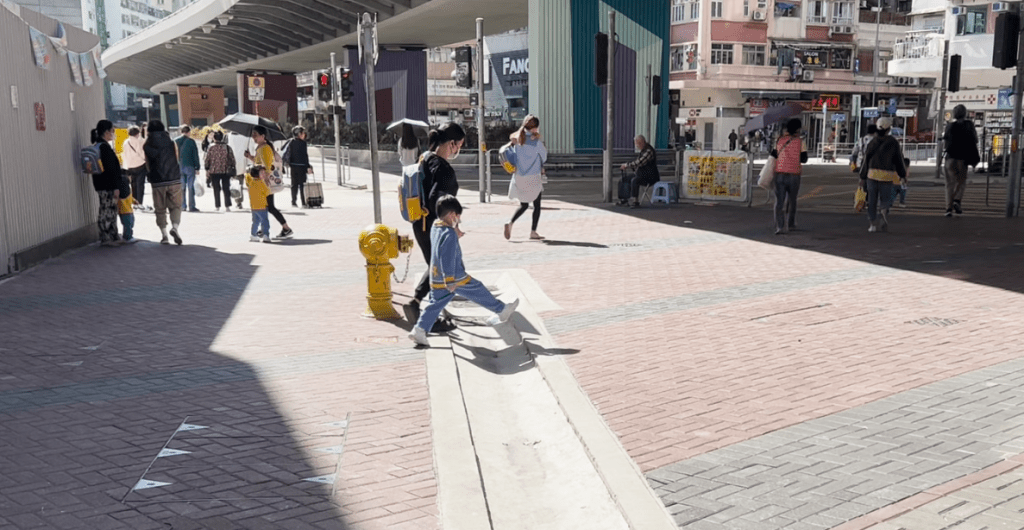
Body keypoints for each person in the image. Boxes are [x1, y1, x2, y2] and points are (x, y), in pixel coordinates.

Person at [408, 195, 520, 346]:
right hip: (454, 277)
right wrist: (450, 280)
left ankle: (419, 330)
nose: (459, 220)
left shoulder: (436, 226)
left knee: (435, 305)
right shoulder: (449, 235)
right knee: (478, 289)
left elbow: (440, 250)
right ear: (451, 215)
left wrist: (455, 234)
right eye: (458, 216)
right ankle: (501, 310)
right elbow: (446, 257)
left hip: (436, 277)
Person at [401, 122, 465, 329]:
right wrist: (451, 225)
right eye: (460, 145)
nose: (459, 150)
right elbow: (437, 197)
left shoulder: (425, 158)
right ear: (452, 144)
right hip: (433, 225)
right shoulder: (444, 168)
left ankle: (417, 303)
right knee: (442, 269)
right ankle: (425, 315)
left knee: (436, 267)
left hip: (418, 222)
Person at [503, 115, 548, 241]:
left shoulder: (517, 139)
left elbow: (512, 138)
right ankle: (533, 232)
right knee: (537, 204)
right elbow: (544, 157)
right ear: (535, 128)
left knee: (523, 204)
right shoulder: (536, 142)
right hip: (533, 177)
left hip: (519, 176)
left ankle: (510, 222)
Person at [244, 125, 294, 239]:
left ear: (263, 136)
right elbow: (258, 163)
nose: (253, 137)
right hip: (262, 181)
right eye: (252, 135)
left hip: (265, 182)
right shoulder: (261, 148)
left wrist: (265, 179)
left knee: (269, 206)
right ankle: (265, 229)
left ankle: (286, 228)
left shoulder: (265, 148)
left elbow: (267, 166)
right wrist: (249, 156)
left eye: (255, 135)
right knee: (266, 206)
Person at [859, 117, 907, 233]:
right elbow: (899, 160)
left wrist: (862, 176)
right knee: (885, 199)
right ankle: (884, 212)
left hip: (872, 174)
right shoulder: (893, 143)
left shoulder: (872, 142)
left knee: (872, 200)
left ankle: (872, 225)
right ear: (889, 129)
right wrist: (903, 174)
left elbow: (865, 160)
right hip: (887, 175)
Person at [143, 120, 184, 245]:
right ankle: (175, 228)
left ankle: (164, 235)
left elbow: (148, 164)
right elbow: (176, 158)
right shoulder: (171, 142)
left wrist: (150, 176)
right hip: (174, 178)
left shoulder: (147, 145)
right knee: (176, 206)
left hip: (157, 181)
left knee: (160, 209)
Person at [89, 120, 123, 247]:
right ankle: (106, 237)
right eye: (112, 131)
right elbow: (111, 169)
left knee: (110, 209)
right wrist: (116, 187)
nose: (113, 133)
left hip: (100, 183)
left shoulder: (98, 146)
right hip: (108, 184)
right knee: (107, 209)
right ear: (107, 132)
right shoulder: (104, 148)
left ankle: (113, 236)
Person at [771, 118, 808, 235]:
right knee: (792, 200)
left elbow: (773, 155)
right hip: (794, 174)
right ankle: (791, 224)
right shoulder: (800, 142)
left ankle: (780, 226)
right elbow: (804, 159)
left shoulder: (779, 140)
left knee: (779, 201)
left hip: (780, 173)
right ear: (797, 129)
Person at [942, 104, 980, 217]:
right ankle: (957, 200)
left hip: (950, 158)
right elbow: (975, 140)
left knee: (949, 184)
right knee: (961, 181)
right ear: (965, 113)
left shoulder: (949, 126)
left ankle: (948, 208)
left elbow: (945, 142)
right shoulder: (969, 125)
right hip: (962, 159)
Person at [619, 135, 660, 208]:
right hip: (642, 174)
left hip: (650, 176)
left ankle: (635, 201)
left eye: (639, 143)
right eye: (637, 143)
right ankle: (623, 199)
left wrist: (627, 165)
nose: (638, 145)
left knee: (635, 180)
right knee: (623, 179)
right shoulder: (643, 151)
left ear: (644, 142)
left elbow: (640, 162)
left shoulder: (649, 151)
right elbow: (637, 163)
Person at [204, 131, 236, 212]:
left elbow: (207, 159)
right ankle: (227, 206)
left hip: (214, 171)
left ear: (214, 138)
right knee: (226, 188)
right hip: (225, 170)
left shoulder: (211, 147)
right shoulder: (227, 147)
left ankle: (217, 205)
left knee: (216, 189)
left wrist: (207, 169)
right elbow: (232, 159)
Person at [283, 126, 313, 207]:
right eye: (303, 133)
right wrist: (308, 167)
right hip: (302, 167)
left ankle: (293, 201)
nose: (304, 135)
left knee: (294, 184)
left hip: (293, 166)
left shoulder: (291, 142)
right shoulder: (303, 143)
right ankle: (303, 202)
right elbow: (305, 156)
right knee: (302, 185)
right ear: (299, 134)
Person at [175, 125, 201, 212]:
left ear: (181, 131)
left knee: (181, 187)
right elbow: (195, 155)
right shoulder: (191, 142)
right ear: (189, 132)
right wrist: (197, 167)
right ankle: (191, 206)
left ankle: (183, 206)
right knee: (190, 186)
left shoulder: (176, 141)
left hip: (178, 166)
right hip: (190, 166)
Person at [122, 126, 148, 210]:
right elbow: (144, 153)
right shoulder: (141, 141)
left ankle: (134, 203)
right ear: (138, 133)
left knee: (133, 185)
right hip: (141, 165)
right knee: (140, 185)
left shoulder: (126, 142)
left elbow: (124, 154)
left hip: (130, 166)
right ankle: (139, 202)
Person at [245, 165, 272, 243]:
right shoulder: (261, 183)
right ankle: (265, 235)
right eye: (262, 173)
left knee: (255, 221)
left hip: (253, 206)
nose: (263, 174)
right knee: (265, 221)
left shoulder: (251, 182)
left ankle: (253, 235)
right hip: (262, 206)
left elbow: (247, 177)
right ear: (257, 174)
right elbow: (267, 192)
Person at [117, 174, 136, 244]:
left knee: (128, 224)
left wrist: (134, 201)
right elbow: (130, 198)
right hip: (126, 211)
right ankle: (128, 237)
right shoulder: (126, 192)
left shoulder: (122, 192)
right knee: (129, 224)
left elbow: (130, 198)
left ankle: (127, 236)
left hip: (124, 211)